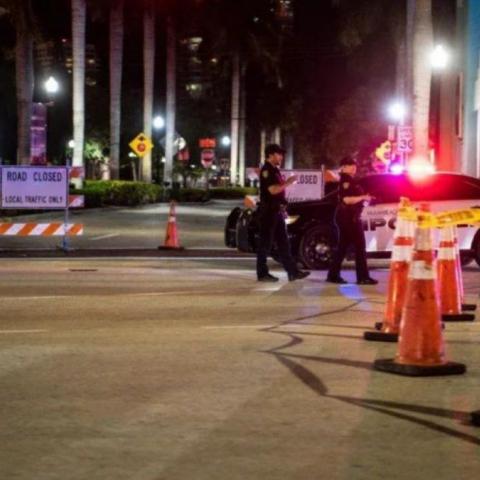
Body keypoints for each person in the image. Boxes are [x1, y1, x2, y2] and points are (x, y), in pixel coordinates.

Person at [256, 144, 310, 282]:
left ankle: (292, 272)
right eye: (278, 154)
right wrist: (288, 182)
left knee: (284, 243)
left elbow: (278, 193)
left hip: (276, 212)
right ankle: (262, 273)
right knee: (265, 244)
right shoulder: (267, 170)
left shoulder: (275, 170)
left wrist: (283, 203)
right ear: (271, 155)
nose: (281, 157)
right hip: (269, 212)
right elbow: (273, 190)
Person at [326, 156, 378, 285]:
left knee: (342, 247)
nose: (354, 167)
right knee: (360, 247)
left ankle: (333, 275)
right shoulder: (346, 180)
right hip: (349, 218)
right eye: (350, 165)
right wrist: (363, 197)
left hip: (347, 217)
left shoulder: (349, 179)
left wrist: (364, 198)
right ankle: (362, 277)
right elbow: (346, 199)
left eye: (354, 164)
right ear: (343, 167)